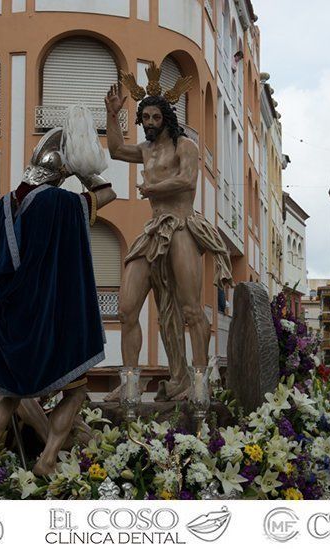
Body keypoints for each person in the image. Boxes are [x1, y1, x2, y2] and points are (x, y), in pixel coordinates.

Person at [0, 113, 117, 475]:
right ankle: (47, 461)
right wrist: (83, 166)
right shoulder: (57, 204)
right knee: (76, 391)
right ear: (60, 171)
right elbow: (106, 193)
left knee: (8, 393)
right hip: (43, 330)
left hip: (6, 331)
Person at [108, 64, 234, 400]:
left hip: (180, 226)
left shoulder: (185, 146)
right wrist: (112, 115)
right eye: (144, 118)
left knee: (192, 310)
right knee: (126, 309)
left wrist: (153, 188)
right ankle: (130, 381)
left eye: (154, 118)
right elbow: (116, 150)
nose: (149, 123)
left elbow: (187, 181)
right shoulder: (146, 150)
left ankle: (198, 380)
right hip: (153, 230)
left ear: (166, 118)